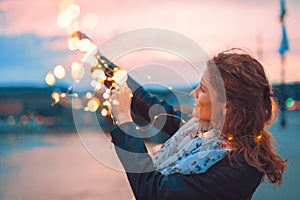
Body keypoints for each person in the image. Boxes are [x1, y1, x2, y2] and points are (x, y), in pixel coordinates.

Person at [109, 49, 287, 200]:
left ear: (226, 105)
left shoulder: (240, 167)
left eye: (202, 89)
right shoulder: (200, 131)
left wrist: (124, 120)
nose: (193, 93)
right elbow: (153, 108)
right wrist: (102, 63)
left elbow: (154, 192)